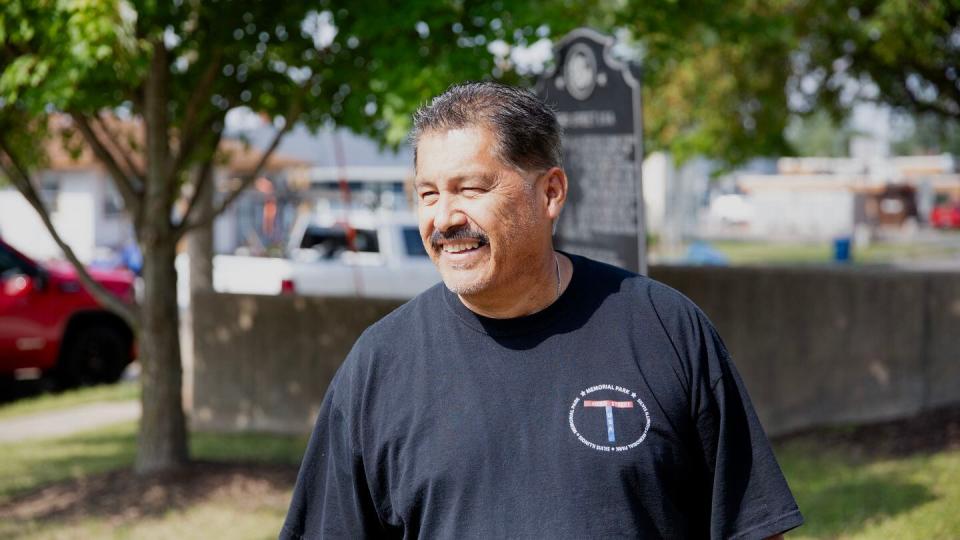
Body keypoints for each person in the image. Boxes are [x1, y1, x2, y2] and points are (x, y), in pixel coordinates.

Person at [280, 82, 803, 539]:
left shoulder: (666, 329)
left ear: (550, 193)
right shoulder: (379, 365)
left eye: (471, 189)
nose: (443, 218)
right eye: (428, 194)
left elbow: (747, 527)